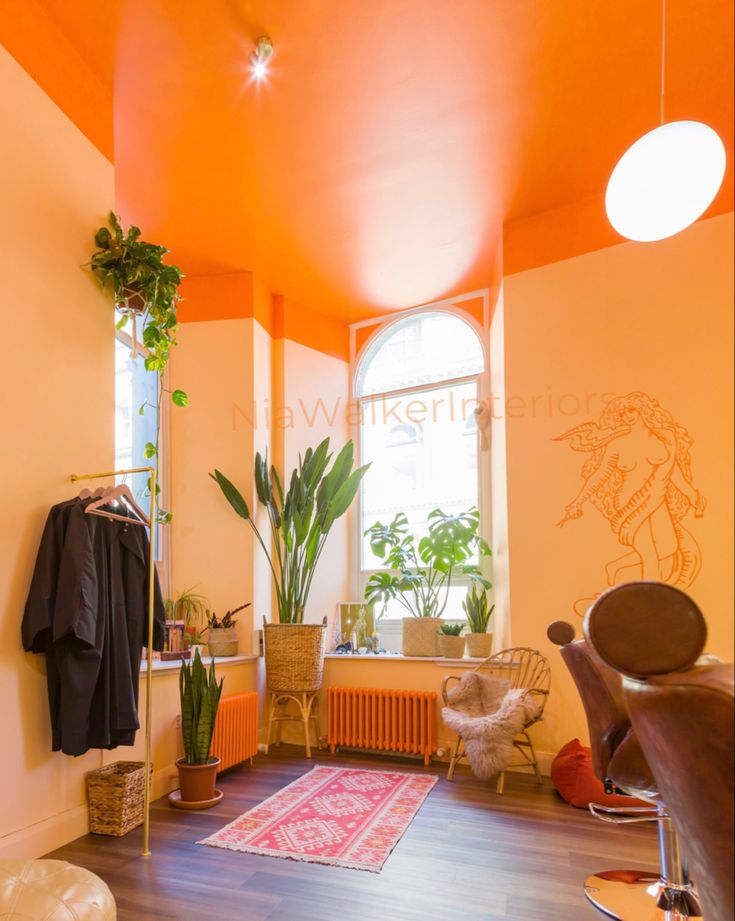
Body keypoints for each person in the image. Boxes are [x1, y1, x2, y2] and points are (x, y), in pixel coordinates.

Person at [556, 392, 705, 611]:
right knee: (649, 554)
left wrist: (692, 495)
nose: (627, 415)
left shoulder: (665, 439)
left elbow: (674, 474)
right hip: (628, 503)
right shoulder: (618, 444)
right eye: (623, 412)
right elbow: (599, 475)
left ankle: (615, 567)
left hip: (657, 497)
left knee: (668, 546)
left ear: (643, 409)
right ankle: (651, 606)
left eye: (631, 410)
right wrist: (578, 501)